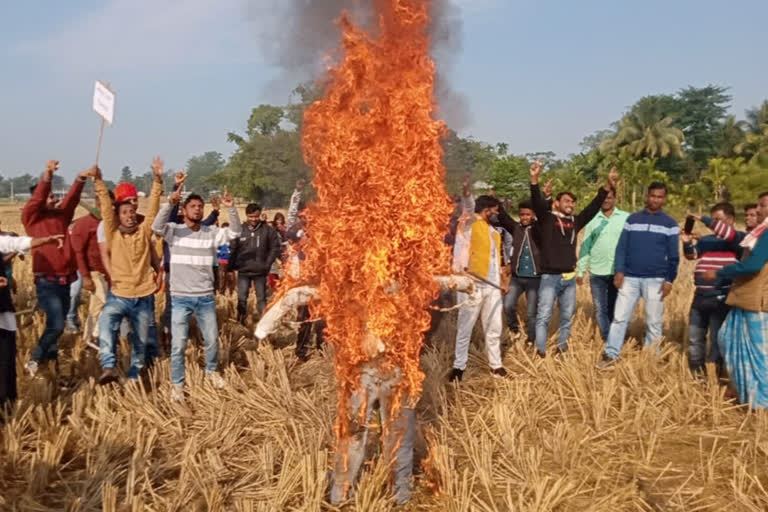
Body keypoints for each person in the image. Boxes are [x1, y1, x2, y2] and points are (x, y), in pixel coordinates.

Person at [152, 187, 241, 401]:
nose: (198, 210)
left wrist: (232, 209)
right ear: (184, 210)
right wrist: (170, 203)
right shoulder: (173, 231)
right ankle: (177, 384)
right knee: (179, 344)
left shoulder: (210, 233)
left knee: (211, 339)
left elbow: (235, 232)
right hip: (181, 298)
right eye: (193, 206)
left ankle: (211, 372)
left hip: (205, 297)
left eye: (201, 207)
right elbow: (156, 226)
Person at [530, 161, 617, 357]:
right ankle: (541, 351)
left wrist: (608, 185)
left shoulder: (575, 221)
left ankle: (562, 347)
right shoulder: (547, 219)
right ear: (557, 203)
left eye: (573, 202)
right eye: (567, 201)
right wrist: (534, 179)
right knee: (544, 316)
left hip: (569, 278)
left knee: (566, 316)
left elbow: (593, 207)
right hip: (549, 277)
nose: (571, 205)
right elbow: (536, 202)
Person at [94, 158, 164, 384]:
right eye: (125, 212)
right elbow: (106, 208)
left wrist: (157, 180)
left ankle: (134, 376)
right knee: (106, 323)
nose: (130, 215)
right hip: (120, 293)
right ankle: (108, 365)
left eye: (133, 211)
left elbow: (153, 209)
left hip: (143, 294)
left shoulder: (144, 231)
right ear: (118, 216)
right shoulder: (112, 233)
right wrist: (99, 181)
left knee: (141, 340)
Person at [22, 160, 94, 376]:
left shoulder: (61, 216)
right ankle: (34, 359)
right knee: (56, 325)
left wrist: (80, 179)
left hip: (66, 280)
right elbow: (35, 200)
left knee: (55, 325)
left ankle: (51, 366)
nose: (55, 199)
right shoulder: (32, 219)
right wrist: (48, 175)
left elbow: (72, 199)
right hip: (47, 281)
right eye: (50, 196)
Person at [599, 182, 680, 368]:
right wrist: (619, 270)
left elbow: (674, 256)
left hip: (656, 279)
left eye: (660, 197)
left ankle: (651, 358)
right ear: (646, 197)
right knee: (619, 318)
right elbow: (622, 247)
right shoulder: (633, 220)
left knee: (653, 321)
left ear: (664, 199)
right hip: (630, 278)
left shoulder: (670, 224)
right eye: (653, 196)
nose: (655, 200)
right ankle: (611, 354)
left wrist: (669, 280)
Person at [705, 192, 768, 408]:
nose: (758, 210)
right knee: (727, 337)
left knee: (759, 355)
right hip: (746, 298)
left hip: (757, 301)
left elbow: (753, 266)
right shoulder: (758, 234)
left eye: (763, 205)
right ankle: (746, 390)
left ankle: (761, 401)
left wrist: (720, 272)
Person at [450, 176, 508, 381]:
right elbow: (469, 206)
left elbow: (496, 261)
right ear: (486, 210)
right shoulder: (470, 224)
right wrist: (467, 192)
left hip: (492, 287)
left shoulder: (494, 232)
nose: (497, 213)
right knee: (465, 327)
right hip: (472, 285)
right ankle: (459, 367)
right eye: (495, 210)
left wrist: (502, 281)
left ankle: (496, 366)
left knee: (494, 328)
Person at [0, 234, 65, 409]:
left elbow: (15, 243)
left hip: (3, 317)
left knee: (6, 366)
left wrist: (45, 240)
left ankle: (7, 408)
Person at [682, 203, 743, 376]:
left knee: (717, 339)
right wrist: (686, 243)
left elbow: (727, 235)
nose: (713, 224)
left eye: (718, 220)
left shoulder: (738, 240)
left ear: (730, 220)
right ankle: (696, 370)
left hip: (721, 297)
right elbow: (691, 255)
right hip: (700, 296)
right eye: (713, 219)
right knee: (695, 337)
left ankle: (714, 372)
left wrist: (703, 218)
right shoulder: (707, 240)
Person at [576, 178, 629, 341]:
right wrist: (580, 270)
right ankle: (608, 339)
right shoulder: (592, 219)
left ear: (615, 199)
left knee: (616, 307)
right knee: (600, 309)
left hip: (618, 272)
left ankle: (617, 336)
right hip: (597, 272)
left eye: (610, 197)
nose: (607, 200)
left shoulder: (626, 217)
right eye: (604, 198)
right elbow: (585, 246)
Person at [494, 199, 542, 345]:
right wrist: (497, 205)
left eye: (528, 214)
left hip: (535, 278)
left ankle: (531, 339)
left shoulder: (539, 229)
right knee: (507, 305)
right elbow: (504, 218)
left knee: (531, 313)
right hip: (517, 277)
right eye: (522, 214)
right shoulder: (516, 228)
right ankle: (514, 330)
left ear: (533, 215)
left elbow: (545, 216)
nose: (524, 217)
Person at [229, 203, 281, 324]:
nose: (254, 219)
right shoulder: (240, 230)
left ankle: (264, 323)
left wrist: (267, 264)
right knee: (242, 299)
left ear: (260, 215)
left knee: (261, 299)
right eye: (251, 216)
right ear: (247, 215)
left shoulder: (268, 231)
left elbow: (275, 248)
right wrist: (231, 267)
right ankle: (241, 322)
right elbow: (233, 248)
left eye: (256, 216)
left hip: (260, 271)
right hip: (243, 271)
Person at [70, 202, 110, 350]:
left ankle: (90, 338)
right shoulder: (84, 224)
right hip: (95, 273)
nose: (108, 209)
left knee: (97, 306)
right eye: (106, 206)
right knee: (107, 302)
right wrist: (85, 276)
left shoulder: (111, 222)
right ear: (98, 205)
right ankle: (94, 336)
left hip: (110, 273)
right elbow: (78, 253)